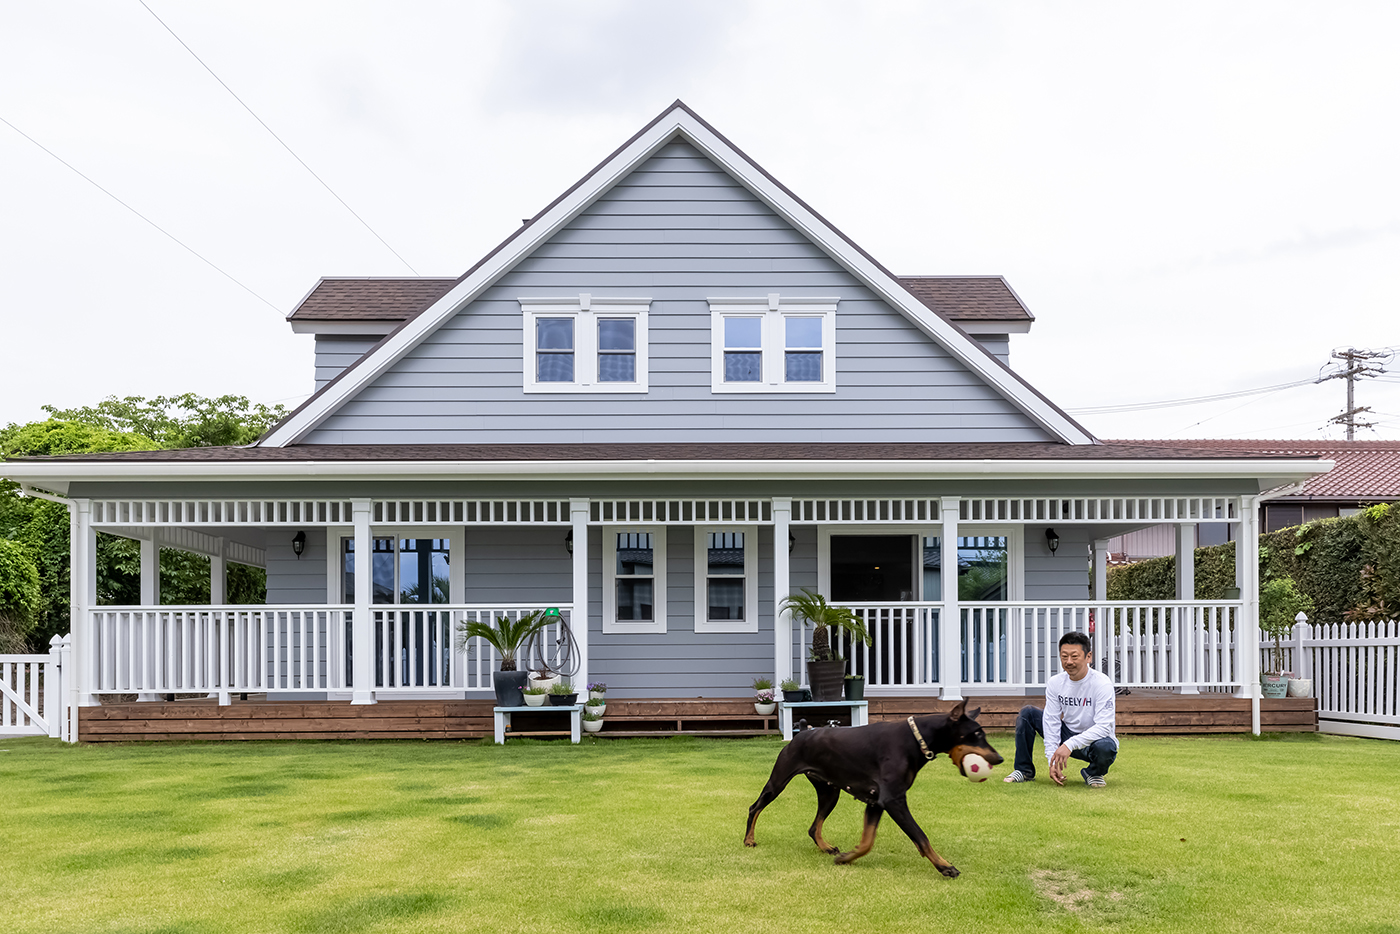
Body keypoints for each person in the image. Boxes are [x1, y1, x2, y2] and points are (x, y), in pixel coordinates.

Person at [1002, 631, 1118, 788]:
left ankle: (1094, 773)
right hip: (1068, 733)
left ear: (1088, 657)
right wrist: (1052, 759)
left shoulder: (1102, 684)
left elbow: (1104, 727)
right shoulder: (1055, 683)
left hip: (1094, 742)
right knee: (1027, 713)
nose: (1069, 661)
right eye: (1064, 656)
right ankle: (1024, 770)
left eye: (1074, 656)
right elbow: (1051, 721)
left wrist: (1069, 745)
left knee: (1107, 747)